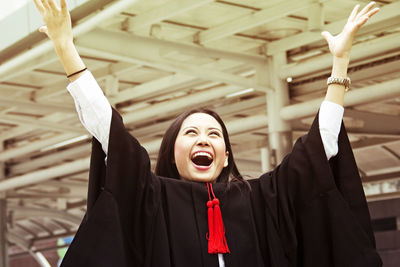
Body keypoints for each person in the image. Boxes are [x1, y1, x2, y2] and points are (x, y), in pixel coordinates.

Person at [33, 0, 382, 266]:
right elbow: (109, 132)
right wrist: (66, 49)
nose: (204, 139)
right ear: (172, 151)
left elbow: (319, 150)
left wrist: (340, 63)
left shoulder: (262, 199)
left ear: (227, 154)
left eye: (215, 134)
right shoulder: (153, 201)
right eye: (192, 133)